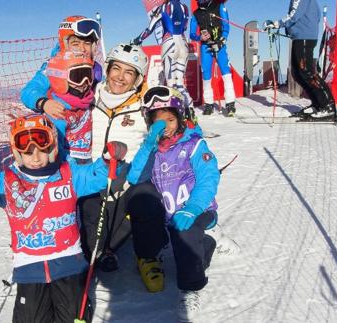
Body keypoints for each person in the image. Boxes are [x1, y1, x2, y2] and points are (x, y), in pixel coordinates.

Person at [0, 113, 127, 323]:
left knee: (74, 317)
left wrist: (110, 159)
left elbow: (98, 176)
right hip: (29, 268)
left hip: (68, 263)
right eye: (27, 151)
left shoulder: (69, 175)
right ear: (16, 151)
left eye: (41, 149)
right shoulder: (7, 182)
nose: (35, 157)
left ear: (52, 147)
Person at [127, 85, 220, 321]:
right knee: (140, 197)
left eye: (170, 119)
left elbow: (209, 178)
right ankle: (164, 252)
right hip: (168, 212)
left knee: (186, 236)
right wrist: (148, 146)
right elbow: (135, 178)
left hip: (197, 209)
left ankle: (190, 286)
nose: (165, 126)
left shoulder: (194, 144)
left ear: (180, 118)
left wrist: (192, 209)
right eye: (158, 121)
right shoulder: (152, 149)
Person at [80, 43, 151, 273]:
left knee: (143, 200)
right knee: (90, 213)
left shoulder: (144, 107)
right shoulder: (88, 99)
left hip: (126, 180)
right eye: (116, 69)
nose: (120, 77)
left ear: (138, 79)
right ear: (107, 69)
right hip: (93, 176)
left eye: (129, 72)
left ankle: (147, 254)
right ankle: (98, 251)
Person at [264, 0, 337, 120]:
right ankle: (318, 104)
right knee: (297, 73)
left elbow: (293, 16)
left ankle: (328, 106)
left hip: (304, 37)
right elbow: (313, 16)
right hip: (301, 36)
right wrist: (292, 30)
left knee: (307, 72)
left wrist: (276, 24)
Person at [21, 15, 102, 120]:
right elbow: (29, 90)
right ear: (64, 44)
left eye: (87, 43)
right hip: (60, 119)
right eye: (76, 43)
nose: (82, 49)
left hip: (84, 122)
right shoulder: (54, 67)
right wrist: (43, 103)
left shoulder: (96, 68)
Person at [132, 0, 193, 107]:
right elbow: (184, 27)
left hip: (169, 43)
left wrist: (138, 40)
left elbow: (149, 29)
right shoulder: (185, 8)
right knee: (180, 84)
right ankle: (189, 111)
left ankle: (176, 113)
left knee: (171, 85)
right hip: (183, 44)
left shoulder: (163, 7)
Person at [45, 51, 95, 163]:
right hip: (70, 162)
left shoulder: (87, 99)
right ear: (60, 78)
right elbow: (55, 146)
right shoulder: (57, 110)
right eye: (77, 77)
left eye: (88, 75)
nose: (84, 82)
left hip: (87, 157)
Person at [190, 0, 237, 116]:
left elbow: (226, 27)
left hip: (219, 45)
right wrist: (200, 37)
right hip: (206, 47)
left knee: (225, 72)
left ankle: (230, 103)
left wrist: (221, 41)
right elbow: (191, 34)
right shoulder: (196, 13)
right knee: (206, 74)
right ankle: (209, 104)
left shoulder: (219, 6)